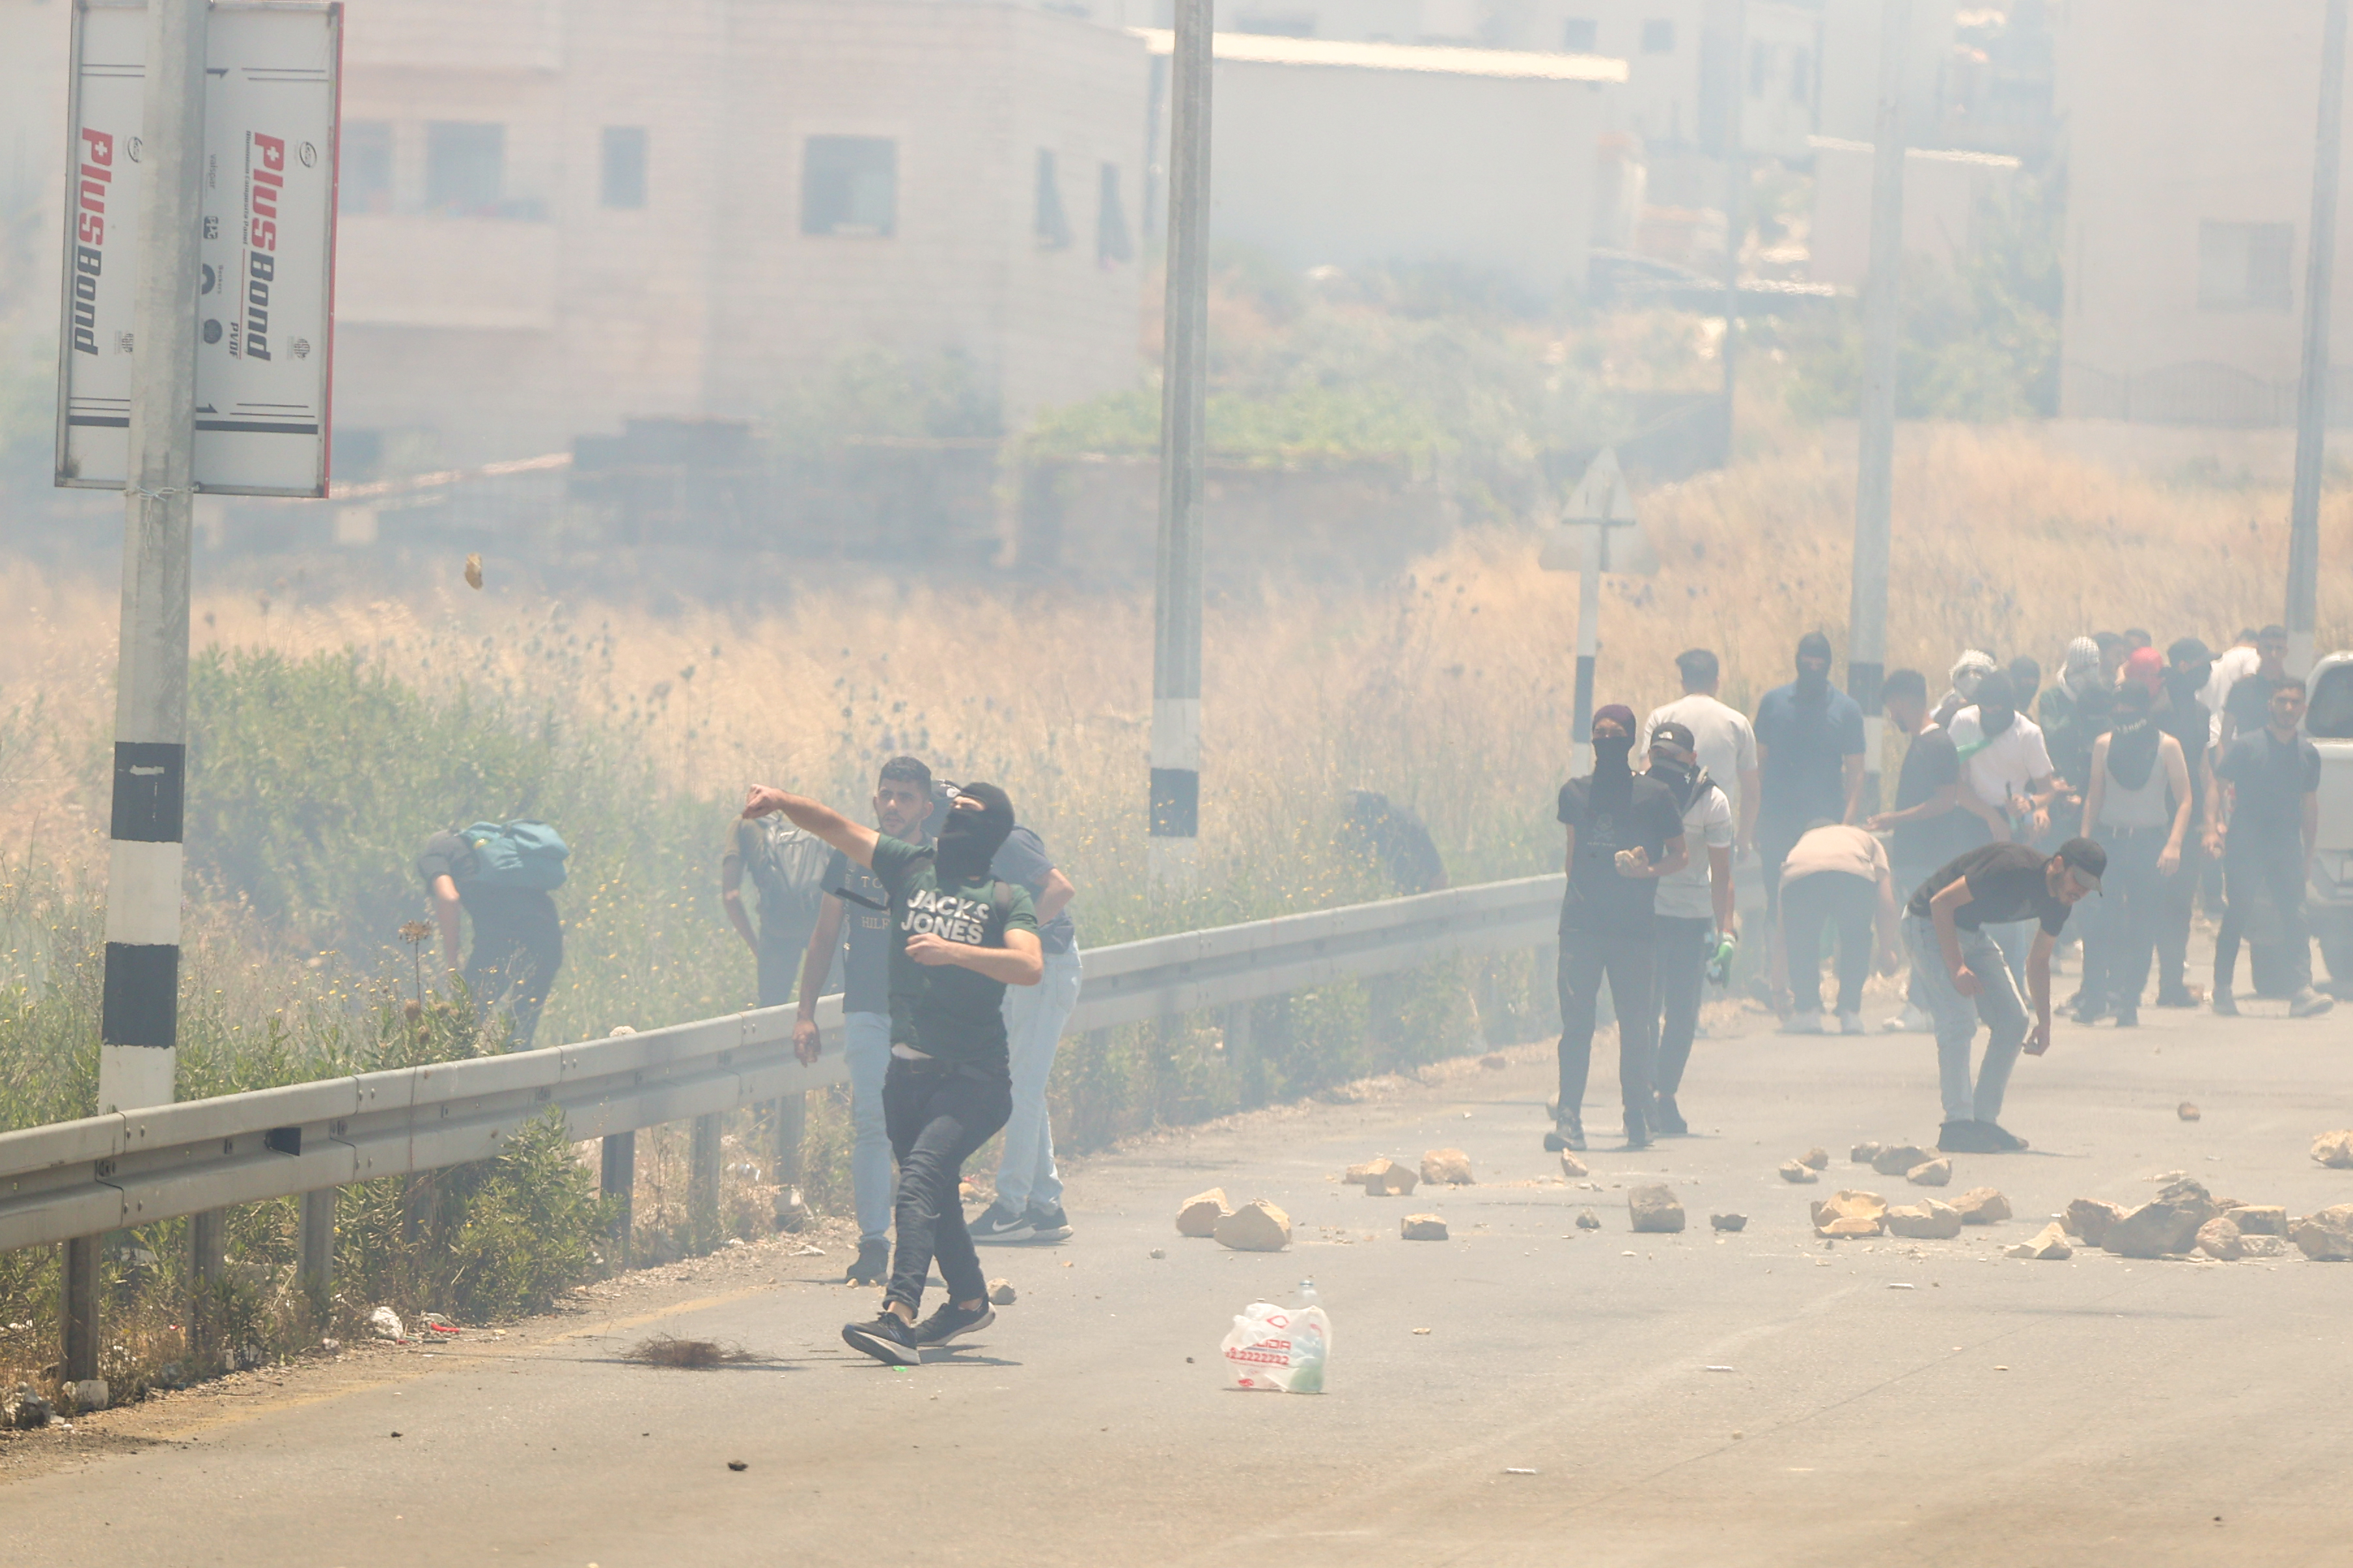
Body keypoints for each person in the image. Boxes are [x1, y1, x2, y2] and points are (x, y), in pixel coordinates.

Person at [750, 778, 1042, 1366]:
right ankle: (966, 1302)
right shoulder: (909, 866)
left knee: (918, 1180)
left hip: (974, 1078)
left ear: (991, 833)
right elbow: (836, 826)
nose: (956, 819)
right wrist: (782, 801)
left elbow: (1029, 965)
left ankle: (899, 1316)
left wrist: (956, 951)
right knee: (935, 1192)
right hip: (905, 1075)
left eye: (970, 814)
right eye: (952, 810)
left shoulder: (1006, 897)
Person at [793, 756, 938, 1288]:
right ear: (875, 801)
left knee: (925, 1134)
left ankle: (926, 1242)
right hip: (867, 1010)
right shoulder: (852, 859)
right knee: (873, 1125)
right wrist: (805, 1012)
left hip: (926, 1020)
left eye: (906, 796)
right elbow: (825, 936)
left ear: (925, 805)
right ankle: (874, 1244)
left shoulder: (937, 863)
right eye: (887, 794)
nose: (895, 805)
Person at [1905, 838, 2104, 1154]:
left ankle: (1984, 1123)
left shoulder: (2061, 903)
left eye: (2089, 887)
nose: (2079, 892)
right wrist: (1956, 967)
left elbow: (2038, 961)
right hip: (1928, 923)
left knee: (2014, 1020)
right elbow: (1940, 904)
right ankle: (1957, 1126)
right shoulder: (2010, 867)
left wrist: (2045, 1022)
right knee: (1959, 1020)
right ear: (2057, 864)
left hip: (1970, 932)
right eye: (2077, 880)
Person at [1553, 704, 1688, 1152]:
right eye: (1599, 732)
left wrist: (1648, 871)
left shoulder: (1653, 795)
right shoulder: (1575, 793)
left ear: (1630, 741)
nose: (1606, 740)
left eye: (1615, 733)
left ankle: (1636, 1115)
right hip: (1582, 927)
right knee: (1577, 1023)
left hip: (1633, 928)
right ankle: (1569, 1118)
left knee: (1635, 1025)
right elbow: (1572, 855)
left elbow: (1680, 854)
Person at [968, 823, 1082, 1245]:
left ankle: (1012, 1207)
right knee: (1025, 1086)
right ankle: (1046, 1207)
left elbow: (1060, 888)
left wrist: (1014, 937)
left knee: (1021, 1089)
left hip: (1045, 965)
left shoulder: (1006, 839)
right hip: (1025, 971)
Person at [1753, 633, 1867, 1011]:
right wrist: (1753, 819)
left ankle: (1816, 988)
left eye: (1821, 662)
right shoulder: (1773, 704)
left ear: (1829, 665)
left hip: (1825, 826)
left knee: (1823, 908)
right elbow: (1760, 763)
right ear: (1797, 659)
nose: (1813, 668)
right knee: (1778, 904)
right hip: (1777, 823)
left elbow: (1855, 771)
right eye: (1807, 660)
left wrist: (1847, 824)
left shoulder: (1846, 710)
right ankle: (1780, 987)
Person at [2210, 681, 2335, 1019]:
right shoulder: (2246, 746)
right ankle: (2222, 989)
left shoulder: (2307, 753)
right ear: (2271, 704)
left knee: (2296, 915)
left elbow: (2309, 804)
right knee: (2238, 913)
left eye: (2295, 702)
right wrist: (2213, 826)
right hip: (2246, 843)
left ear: (2304, 709)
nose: (2289, 708)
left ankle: (2302, 990)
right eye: (2282, 701)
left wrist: (2309, 852)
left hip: (2285, 845)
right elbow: (2218, 784)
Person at [2076, 683, 2192, 1026]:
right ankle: (2095, 997)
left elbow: (2185, 799)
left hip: (2149, 843)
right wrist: (2083, 843)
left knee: (2143, 924)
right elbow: (2094, 795)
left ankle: (2129, 1001)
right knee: (2099, 922)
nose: (2124, 713)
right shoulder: (2104, 745)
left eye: (2131, 707)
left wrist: (2174, 844)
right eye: (2119, 707)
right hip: (2110, 842)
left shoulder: (2167, 746)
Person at [1643, 721, 1734, 1136]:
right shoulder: (1636, 791)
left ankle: (1665, 1095)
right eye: (1657, 757)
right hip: (1648, 912)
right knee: (1644, 1008)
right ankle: (1642, 1092)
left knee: (1681, 1014)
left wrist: (1726, 933)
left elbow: (1722, 873)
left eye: (1673, 759)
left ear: (1692, 760)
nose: (1663, 767)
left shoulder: (1711, 802)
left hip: (1692, 917)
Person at [1867, 668, 1966, 1032]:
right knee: (1923, 935)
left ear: (1904, 702)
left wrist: (1897, 818)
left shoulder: (1937, 744)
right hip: (1916, 858)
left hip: (1930, 858)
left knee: (1923, 936)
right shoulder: (1922, 742)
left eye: (1892, 707)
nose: (1892, 715)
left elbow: (1945, 800)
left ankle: (1921, 1008)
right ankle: (1925, 1005)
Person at [1944, 671, 2058, 985]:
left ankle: (2014, 984)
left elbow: (2048, 788)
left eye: (1998, 710)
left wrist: (2030, 804)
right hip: (1971, 814)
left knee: (2009, 906)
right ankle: (1966, 977)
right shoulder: (1964, 723)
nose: (1991, 716)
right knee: (1966, 898)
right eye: (1986, 709)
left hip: (2012, 816)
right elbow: (1954, 782)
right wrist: (1989, 819)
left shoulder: (2028, 734)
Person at [417, 821, 566, 1051]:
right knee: (519, 1033)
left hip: (501, 942)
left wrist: (451, 964)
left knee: (460, 1026)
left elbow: (448, 898)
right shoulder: (485, 846)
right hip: (547, 936)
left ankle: (451, 1073)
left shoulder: (436, 853)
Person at [1775, 819, 1902, 1035]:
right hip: (1853, 871)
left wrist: (1778, 988)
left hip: (1801, 873)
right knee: (1856, 938)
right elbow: (1887, 904)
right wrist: (1886, 950)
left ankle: (1808, 1013)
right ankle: (1850, 1014)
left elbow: (1783, 932)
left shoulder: (1801, 845)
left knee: (1801, 939)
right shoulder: (1867, 840)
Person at [1643, 648, 1761, 859]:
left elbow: (1646, 779)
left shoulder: (1660, 718)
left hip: (1667, 829)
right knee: (1719, 889)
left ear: (1684, 683)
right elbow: (1751, 793)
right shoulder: (1737, 723)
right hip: (1717, 830)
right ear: (1716, 682)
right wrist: (1743, 839)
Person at [2152, 638, 2218, 1006]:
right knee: (2146, 905)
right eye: (2202, 663)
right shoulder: (2156, 707)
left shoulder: (2200, 712)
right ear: (2183, 666)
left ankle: (2170, 985)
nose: (2208, 671)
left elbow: (2205, 771)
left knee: (2179, 906)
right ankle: (2122, 988)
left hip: (2186, 820)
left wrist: (2210, 824)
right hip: (2150, 819)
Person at [723, 811, 833, 1009]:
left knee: (771, 1012)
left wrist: (756, 946)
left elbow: (731, 896)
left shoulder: (742, 822)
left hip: (777, 930)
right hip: (821, 927)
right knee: (830, 1005)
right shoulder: (801, 814)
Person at [2037, 637, 2112, 815]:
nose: (2091, 672)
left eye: (2095, 665)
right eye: (2085, 668)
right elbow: (2052, 736)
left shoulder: (2103, 694)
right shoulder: (2051, 698)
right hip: (2063, 785)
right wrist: (2076, 711)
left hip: (2096, 786)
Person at [2218, 624, 2294, 756]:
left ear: (2286, 652)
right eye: (2268, 648)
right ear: (2258, 650)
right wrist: (2222, 773)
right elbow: (2225, 736)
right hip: (2248, 762)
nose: (2273, 654)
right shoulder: (2242, 688)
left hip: (2282, 763)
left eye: (2279, 648)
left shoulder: (2292, 690)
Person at [1933, 648, 1998, 730]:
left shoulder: (1996, 710)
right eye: (1965, 672)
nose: (1972, 677)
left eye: (1979, 672)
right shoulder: (1945, 708)